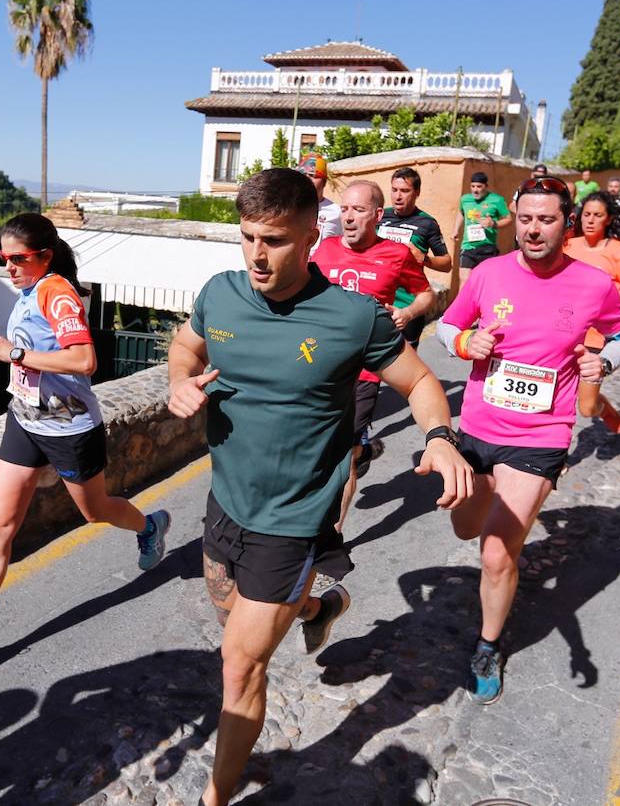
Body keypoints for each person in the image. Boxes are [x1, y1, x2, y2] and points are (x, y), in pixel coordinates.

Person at [167, 168, 473, 806]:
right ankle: (318, 606)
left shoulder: (351, 317)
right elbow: (184, 346)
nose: (257, 254)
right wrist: (179, 381)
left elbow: (419, 383)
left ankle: (214, 799)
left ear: (311, 234)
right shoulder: (219, 295)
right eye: (248, 237)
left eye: (274, 240)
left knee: (240, 662)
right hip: (228, 499)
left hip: (297, 514)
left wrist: (441, 440)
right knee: (227, 599)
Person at [0, 214, 169, 670]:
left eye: (19, 259)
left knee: (95, 511)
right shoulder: (31, 291)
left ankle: (149, 527)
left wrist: (14, 352)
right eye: (4, 258)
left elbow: (85, 359)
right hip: (25, 421)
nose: (10, 267)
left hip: (71, 431)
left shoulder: (56, 292)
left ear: (44, 256)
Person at [436, 175, 620, 705]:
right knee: (467, 528)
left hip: (541, 436)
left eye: (546, 219)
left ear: (564, 223)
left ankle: (487, 645)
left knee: (498, 555)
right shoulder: (488, 272)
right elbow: (445, 324)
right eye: (525, 218)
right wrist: (463, 340)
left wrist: (605, 360)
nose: (533, 229)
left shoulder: (592, 284)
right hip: (477, 431)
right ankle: (488, 532)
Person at [313, 179, 435, 525]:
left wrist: (407, 312)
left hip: (366, 370)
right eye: (345, 209)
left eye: (359, 210)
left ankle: (330, 539)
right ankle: (365, 449)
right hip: (319, 367)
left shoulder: (397, 255)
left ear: (378, 215)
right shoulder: (324, 250)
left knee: (343, 456)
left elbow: (425, 294)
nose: (349, 217)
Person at [564, 191, 620, 433]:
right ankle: (554, 458)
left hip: (598, 336)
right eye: (587, 214)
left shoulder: (617, 249)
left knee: (587, 408)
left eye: (597, 215)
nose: (590, 220)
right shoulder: (568, 244)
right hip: (564, 328)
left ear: (608, 219)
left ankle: (607, 412)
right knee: (555, 397)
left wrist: (598, 293)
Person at [377, 167, 452, 348]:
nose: (398, 196)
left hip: (409, 303)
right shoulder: (380, 216)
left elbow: (447, 263)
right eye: (394, 190)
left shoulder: (427, 223)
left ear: (417, 192)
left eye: (404, 191)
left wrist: (424, 259)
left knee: (406, 363)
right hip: (379, 297)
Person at [453, 171, 512, 286]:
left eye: (479, 186)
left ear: (486, 186)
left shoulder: (496, 200)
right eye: (473, 186)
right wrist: (455, 229)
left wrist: (494, 223)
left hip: (487, 247)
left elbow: (508, 219)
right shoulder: (465, 199)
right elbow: (461, 212)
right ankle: (464, 304)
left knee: (485, 282)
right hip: (468, 246)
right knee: (464, 280)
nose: (475, 190)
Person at [297, 152, 341, 253]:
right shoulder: (288, 208)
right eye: (304, 175)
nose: (307, 179)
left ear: (324, 181)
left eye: (313, 175)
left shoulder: (337, 212)